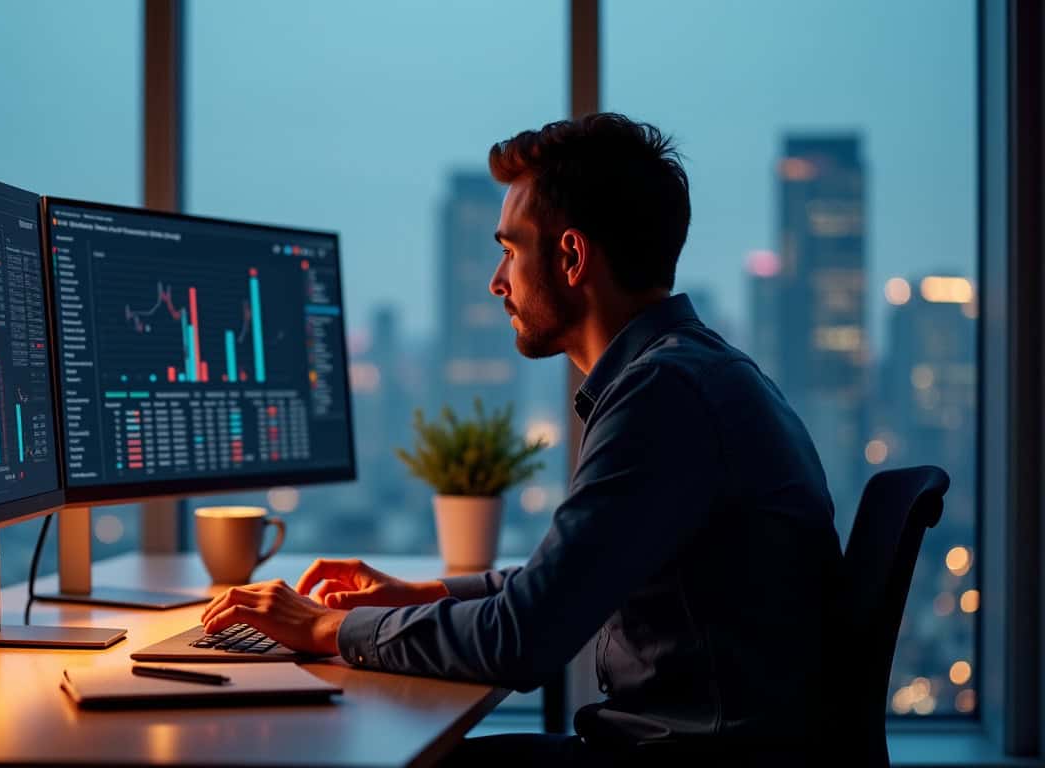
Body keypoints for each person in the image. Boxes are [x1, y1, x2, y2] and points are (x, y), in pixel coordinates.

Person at [199, 113, 843, 763]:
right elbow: (567, 578)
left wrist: (325, 626)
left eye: (510, 251)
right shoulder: (697, 372)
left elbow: (523, 638)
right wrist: (420, 594)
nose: (496, 281)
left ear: (571, 257)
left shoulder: (663, 396)